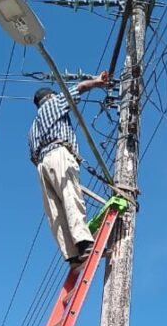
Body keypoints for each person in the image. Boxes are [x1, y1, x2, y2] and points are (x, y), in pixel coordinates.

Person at [28, 72, 109, 268]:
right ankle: (84, 243)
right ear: (50, 96)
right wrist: (97, 82)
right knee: (70, 195)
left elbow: (32, 156)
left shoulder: (32, 129)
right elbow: (79, 88)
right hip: (59, 154)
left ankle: (72, 255)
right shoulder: (54, 104)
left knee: (55, 211)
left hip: (41, 165)